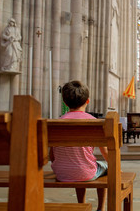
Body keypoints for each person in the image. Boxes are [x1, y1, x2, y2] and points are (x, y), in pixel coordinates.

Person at [49, 80, 108, 211]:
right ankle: (101, 208)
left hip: (61, 174)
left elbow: (52, 155)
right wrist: (116, 166)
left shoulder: (57, 123)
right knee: (106, 168)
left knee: (77, 163)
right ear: (87, 101)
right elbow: (105, 152)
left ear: (65, 102)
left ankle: (81, 204)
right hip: (85, 172)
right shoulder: (93, 122)